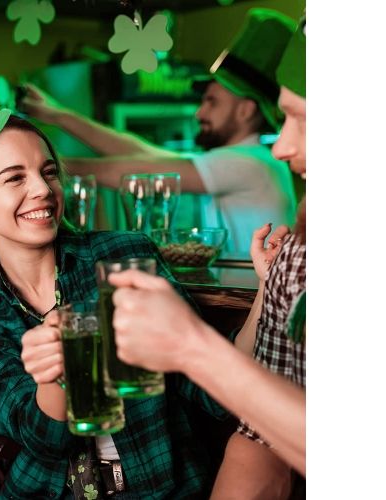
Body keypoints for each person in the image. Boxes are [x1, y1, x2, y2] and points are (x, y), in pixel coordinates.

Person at [0, 101, 230, 498]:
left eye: (48, 172)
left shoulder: (121, 257)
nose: (42, 190)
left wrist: (268, 292)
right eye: (14, 178)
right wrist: (55, 368)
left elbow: (212, 389)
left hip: (164, 488)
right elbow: (46, 441)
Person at [106, 16, 307, 484]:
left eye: (305, 119)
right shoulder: (297, 254)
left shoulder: (252, 162)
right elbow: (260, 439)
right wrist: (268, 285)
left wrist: (192, 347)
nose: (283, 145)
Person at [20, 8, 298, 260]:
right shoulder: (242, 159)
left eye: (211, 102)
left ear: (246, 110)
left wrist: (37, 168)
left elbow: (141, 171)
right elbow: (145, 154)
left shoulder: (252, 163)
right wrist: (54, 113)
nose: (199, 113)